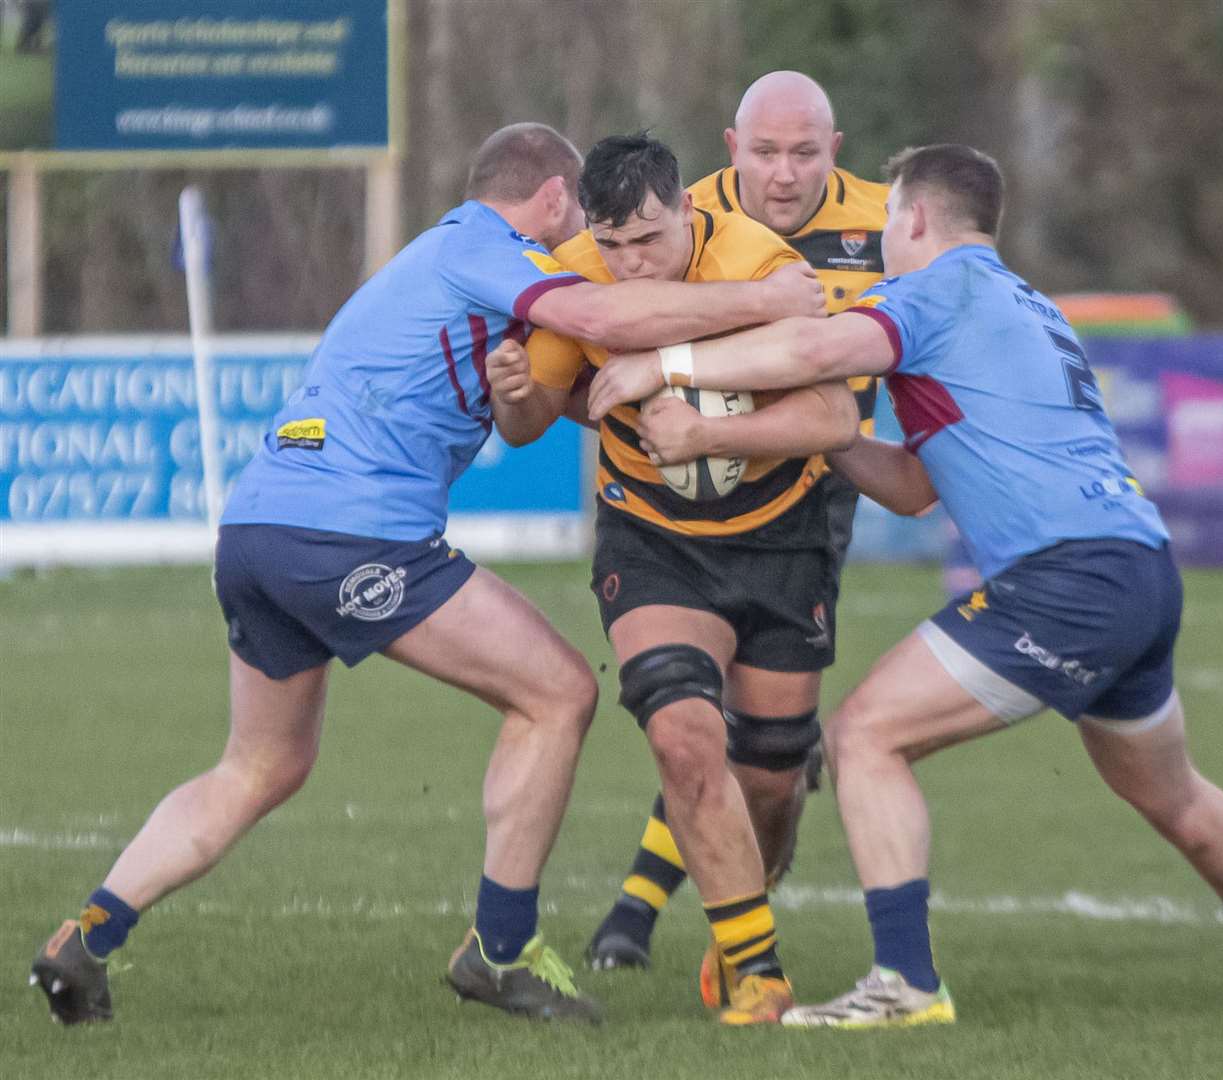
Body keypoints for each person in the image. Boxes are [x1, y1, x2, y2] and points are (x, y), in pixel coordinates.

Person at [27, 122, 824, 1028]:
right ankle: (500, 953)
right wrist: (767, 300)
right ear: (557, 202)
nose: (591, 255)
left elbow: (533, 400)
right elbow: (603, 317)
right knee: (558, 692)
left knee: (261, 764)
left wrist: (529, 391)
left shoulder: (431, 256)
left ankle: (84, 939)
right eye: (585, 235)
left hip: (257, 527)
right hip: (349, 533)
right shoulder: (487, 247)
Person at [587, 143, 1223, 1026]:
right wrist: (815, 435)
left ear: (914, 219)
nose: (879, 240)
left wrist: (663, 368)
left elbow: (810, 343)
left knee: (866, 736)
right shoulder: (1030, 304)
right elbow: (915, 487)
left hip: (1063, 578)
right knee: (1169, 793)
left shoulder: (934, 290)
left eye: (887, 224)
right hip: (1139, 568)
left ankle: (904, 985)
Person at [488, 132, 857, 1024]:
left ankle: (740, 907)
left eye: (648, 239)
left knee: (769, 779)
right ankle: (756, 969)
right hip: (653, 541)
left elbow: (836, 412)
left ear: (689, 211)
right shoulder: (571, 275)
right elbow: (530, 422)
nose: (629, 265)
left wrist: (709, 432)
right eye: (611, 246)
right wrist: (514, 391)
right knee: (686, 736)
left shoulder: (757, 259)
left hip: (781, 537)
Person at [583, 70, 891, 976]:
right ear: (729, 151)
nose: (784, 173)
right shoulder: (675, 217)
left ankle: (668, 902)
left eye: (804, 153)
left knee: (764, 753)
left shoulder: (892, 226)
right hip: (674, 500)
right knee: (688, 712)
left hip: (816, 485)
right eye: (764, 153)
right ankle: (648, 914)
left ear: (834, 152)